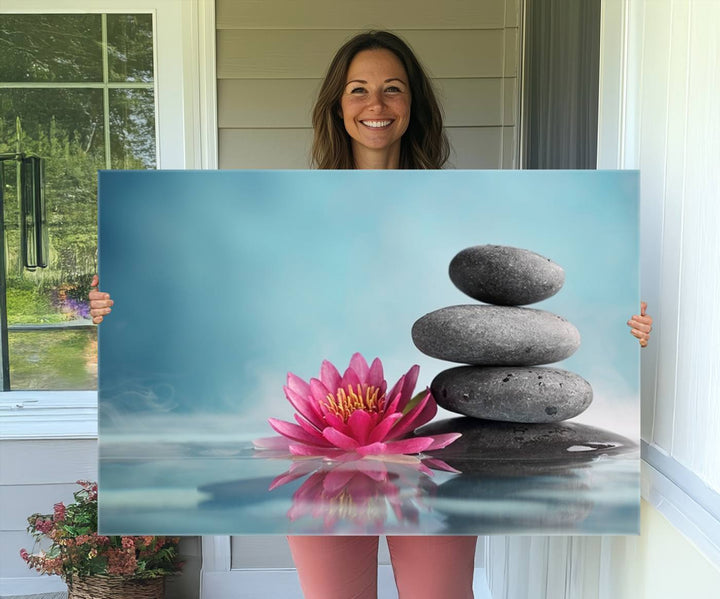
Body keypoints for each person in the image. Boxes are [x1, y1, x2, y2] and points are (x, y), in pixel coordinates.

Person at [89, 31, 653, 599]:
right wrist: (114, 309)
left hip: (435, 439)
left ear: (413, 105)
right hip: (316, 442)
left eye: (392, 90)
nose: (375, 105)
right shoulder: (286, 201)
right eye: (358, 90)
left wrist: (630, 330)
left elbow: (533, 315)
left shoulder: (469, 199)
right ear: (338, 104)